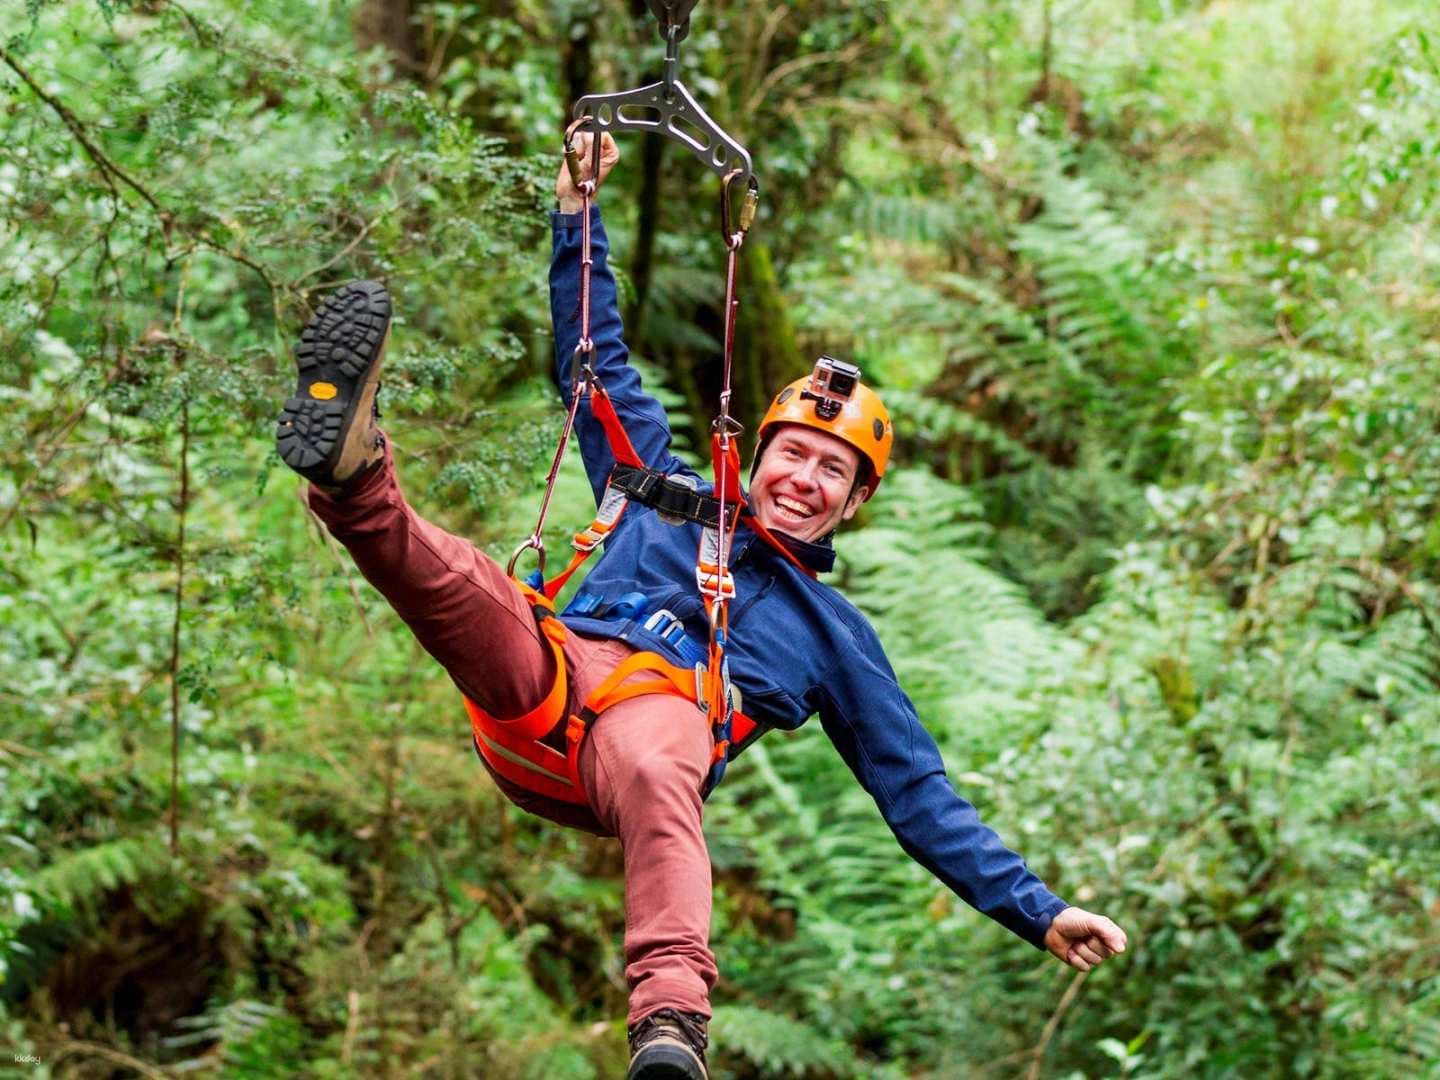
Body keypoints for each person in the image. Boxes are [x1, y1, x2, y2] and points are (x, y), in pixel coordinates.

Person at [274, 133, 1127, 1080]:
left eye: (832, 471)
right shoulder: (657, 488)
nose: (804, 479)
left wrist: (1038, 909)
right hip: (544, 685)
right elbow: (594, 363)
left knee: (659, 747)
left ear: (855, 502)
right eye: (793, 453)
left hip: (643, 746)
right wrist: (577, 215)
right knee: (467, 584)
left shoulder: (832, 638)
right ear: (757, 452)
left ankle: (670, 1028)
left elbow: (917, 794)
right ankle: (351, 471)